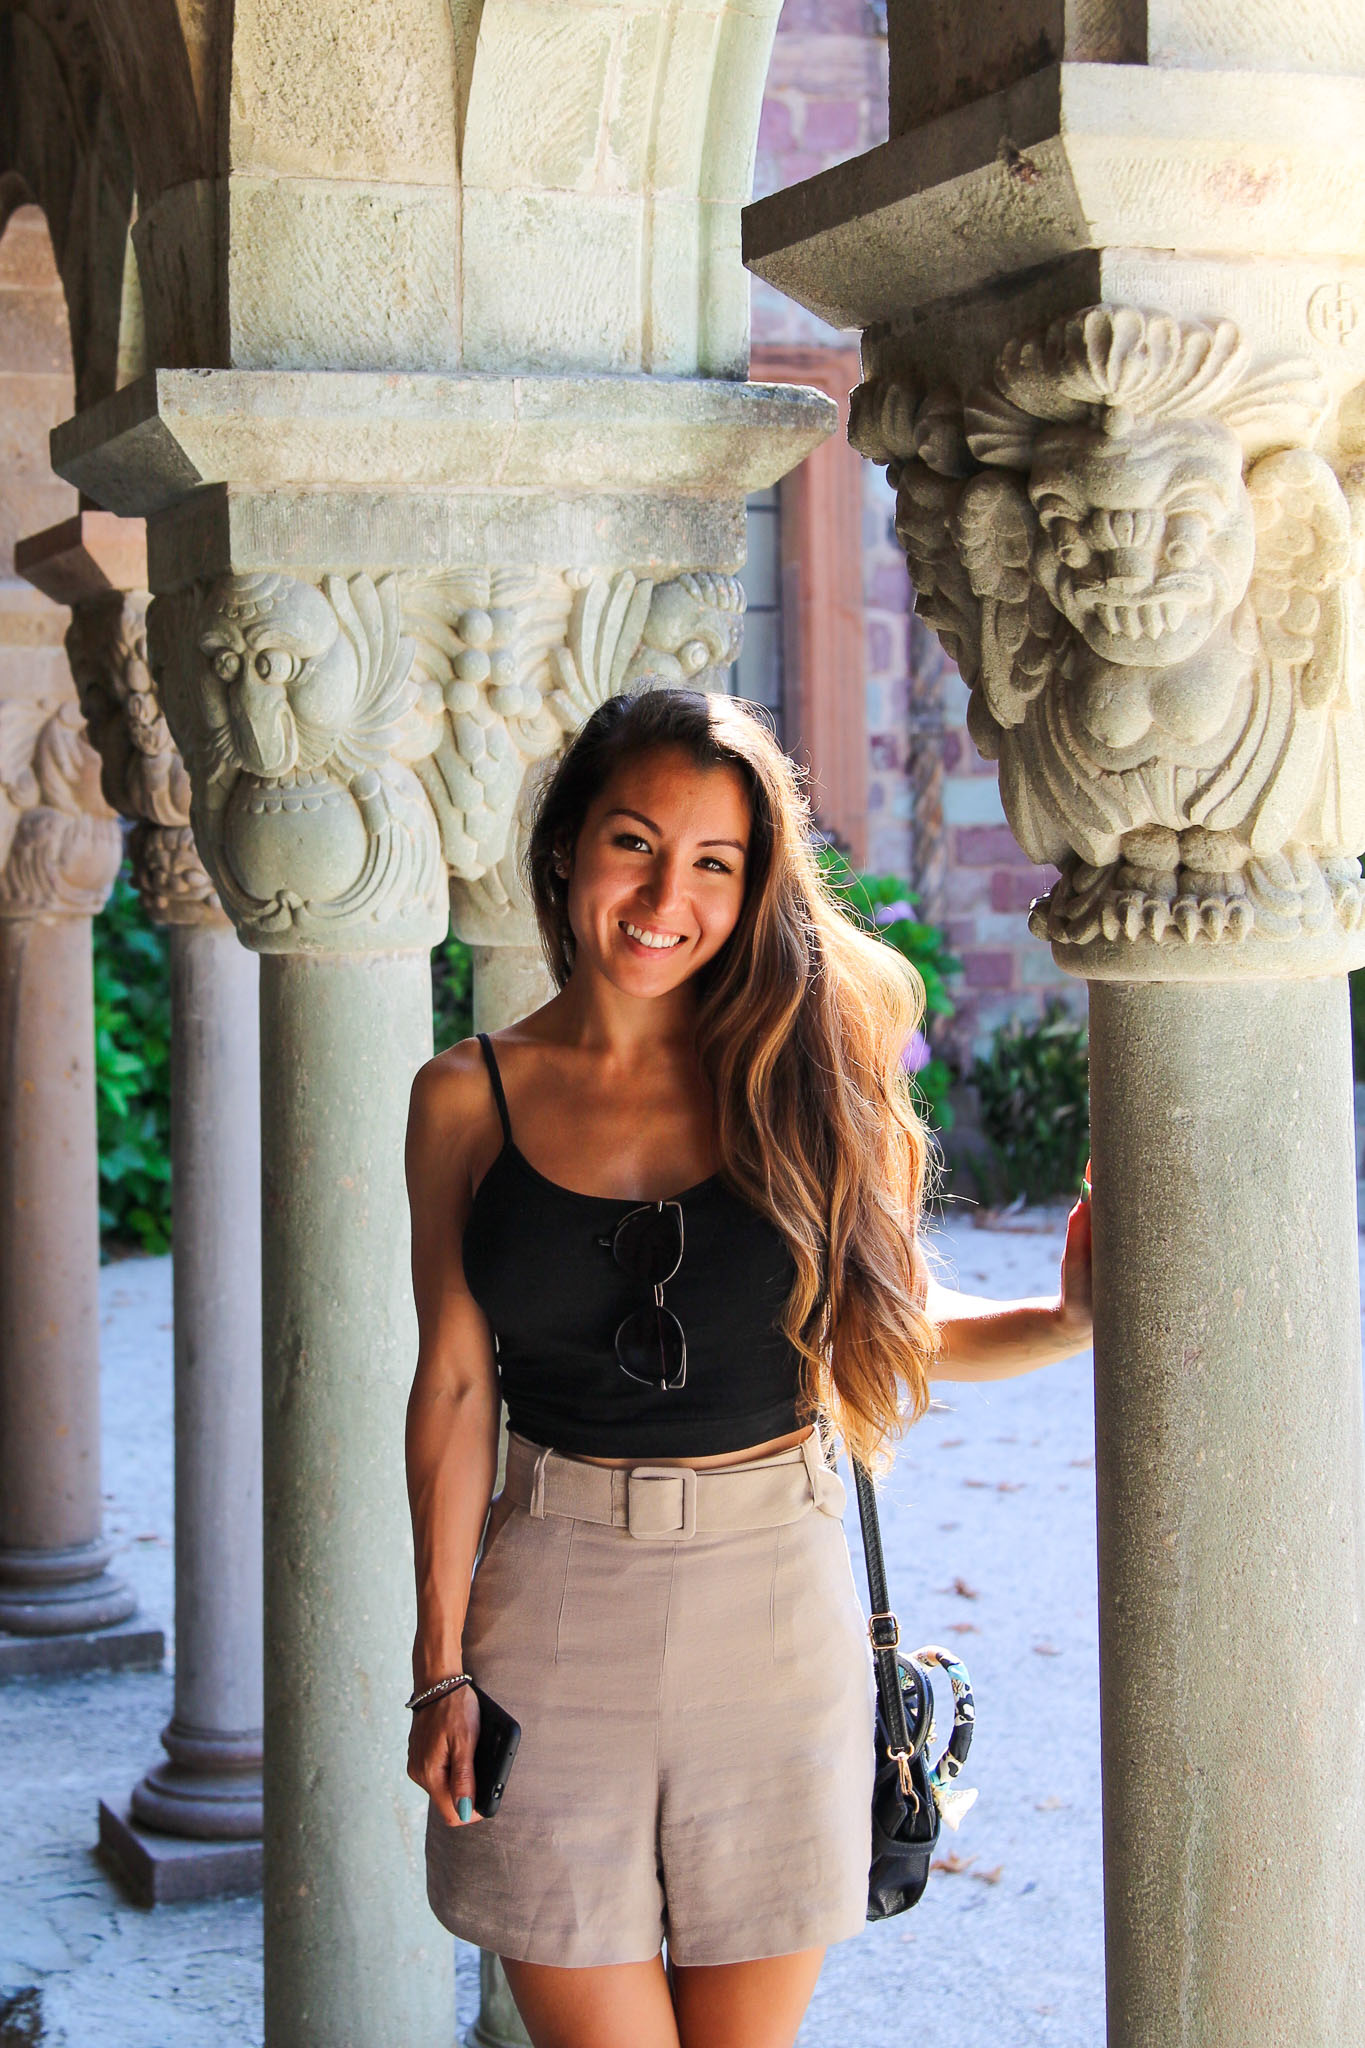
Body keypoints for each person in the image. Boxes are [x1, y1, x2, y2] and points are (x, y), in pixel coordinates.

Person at [404, 685, 1093, 2048]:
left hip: (773, 1613)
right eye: (632, 844)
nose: (667, 895)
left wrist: (1067, 1323)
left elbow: (885, 1338)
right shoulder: (464, 1097)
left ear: (753, 882)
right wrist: (438, 1662)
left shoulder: (805, 1078)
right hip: (548, 1609)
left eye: (714, 862)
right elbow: (452, 1389)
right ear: (563, 852)